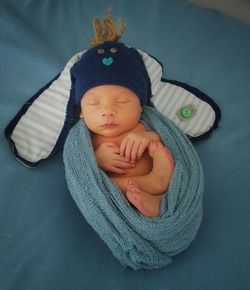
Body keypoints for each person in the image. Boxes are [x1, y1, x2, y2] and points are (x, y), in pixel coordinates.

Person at [70, 11, 175, 217]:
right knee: (105, 188)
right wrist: (97, 160)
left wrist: (148, 137)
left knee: (160, 150)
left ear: (141, 106)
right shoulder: (87, 141)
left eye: (122, 101)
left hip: (157, 177)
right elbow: (82, 168)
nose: (107, 111)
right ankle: (152, 194)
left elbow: (167, 140)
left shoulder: (142, 125)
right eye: (93, 103)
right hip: (120, 190)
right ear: (81, 112)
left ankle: (160, 189)